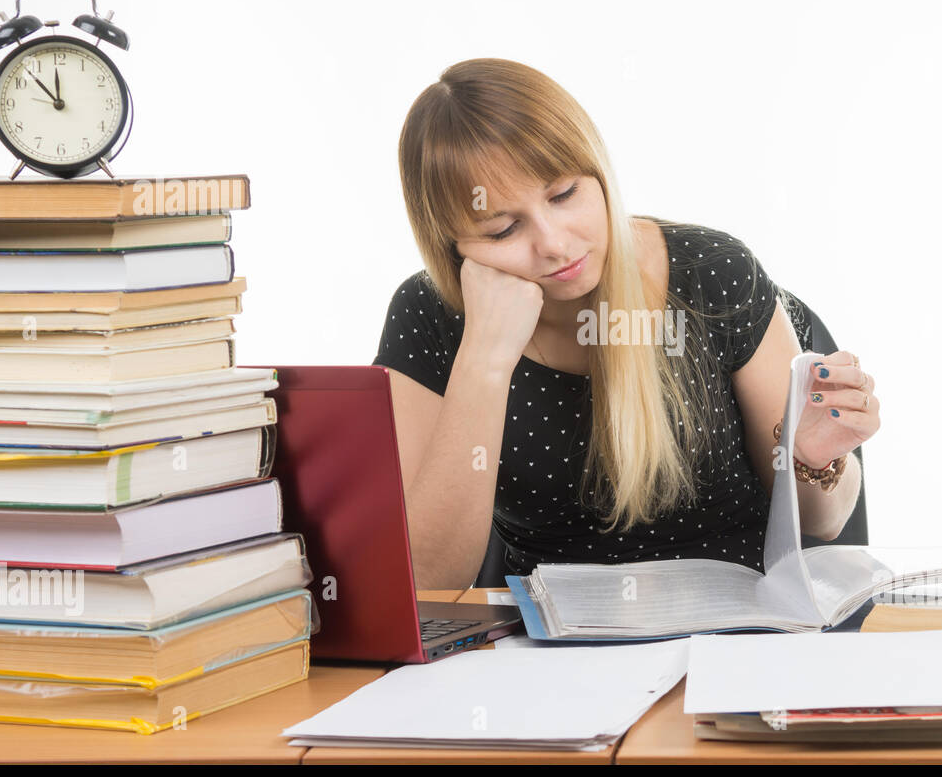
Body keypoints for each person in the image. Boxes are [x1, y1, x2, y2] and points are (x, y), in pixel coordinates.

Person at [373, 58, 879, 589]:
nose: (554, 244)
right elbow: (426, 585)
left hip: (740, 630)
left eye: (565, 195)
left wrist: (812, 458)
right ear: (452, 247)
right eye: (502, 229)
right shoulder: (428, 315)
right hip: (546, 649)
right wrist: (485, 356)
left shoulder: (713, 273)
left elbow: (827, 522)